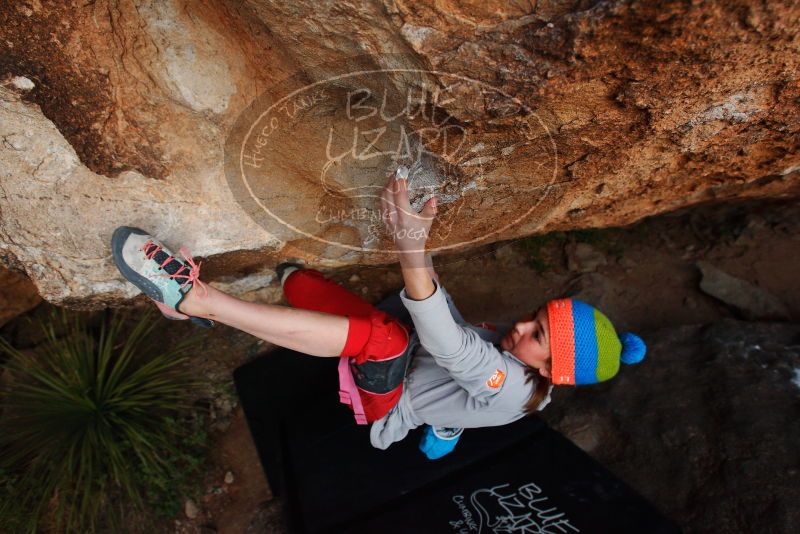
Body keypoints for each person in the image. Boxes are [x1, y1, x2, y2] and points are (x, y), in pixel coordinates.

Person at [110, 172, 646, 459]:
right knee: (302, 282)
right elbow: (451, 323)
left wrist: (412, 249)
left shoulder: (512, 388)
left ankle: (193, 300)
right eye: (535, 318)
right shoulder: (519, 355)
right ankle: (277, 287)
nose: (522, 326)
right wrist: (421, 254)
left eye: (537, 337)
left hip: (392, 397)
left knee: (386, 337)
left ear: (553, 372)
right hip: (415, 357)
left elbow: (452, 347)